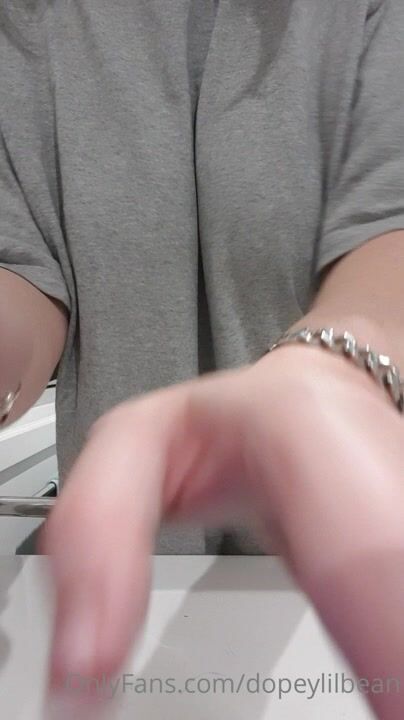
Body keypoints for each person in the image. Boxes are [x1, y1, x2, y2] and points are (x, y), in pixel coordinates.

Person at [1, 0, 404, 717]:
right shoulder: (29, 21)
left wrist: (332, 369)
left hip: (350, 571)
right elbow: (25, 267)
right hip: (126, 584)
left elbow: (388, 225)